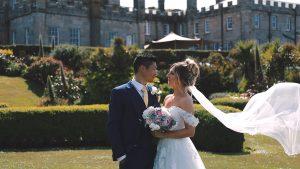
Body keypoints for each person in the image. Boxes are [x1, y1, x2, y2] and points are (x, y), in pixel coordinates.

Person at [107, 52, 160, 169]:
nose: (156, 73)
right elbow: (113, 125)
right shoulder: (120, 92)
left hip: (153, 155)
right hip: (130, 156)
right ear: (142, 68)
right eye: (154, 69)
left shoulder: (153, 92)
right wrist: (121, 155)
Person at [152, 58, 206, 169]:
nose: (168, 75)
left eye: (171, 73)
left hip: (178, 149)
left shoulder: (186, 100)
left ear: (180, 78)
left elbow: (191, 131)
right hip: (163, 146)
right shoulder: (167, 97)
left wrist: (164, 135)